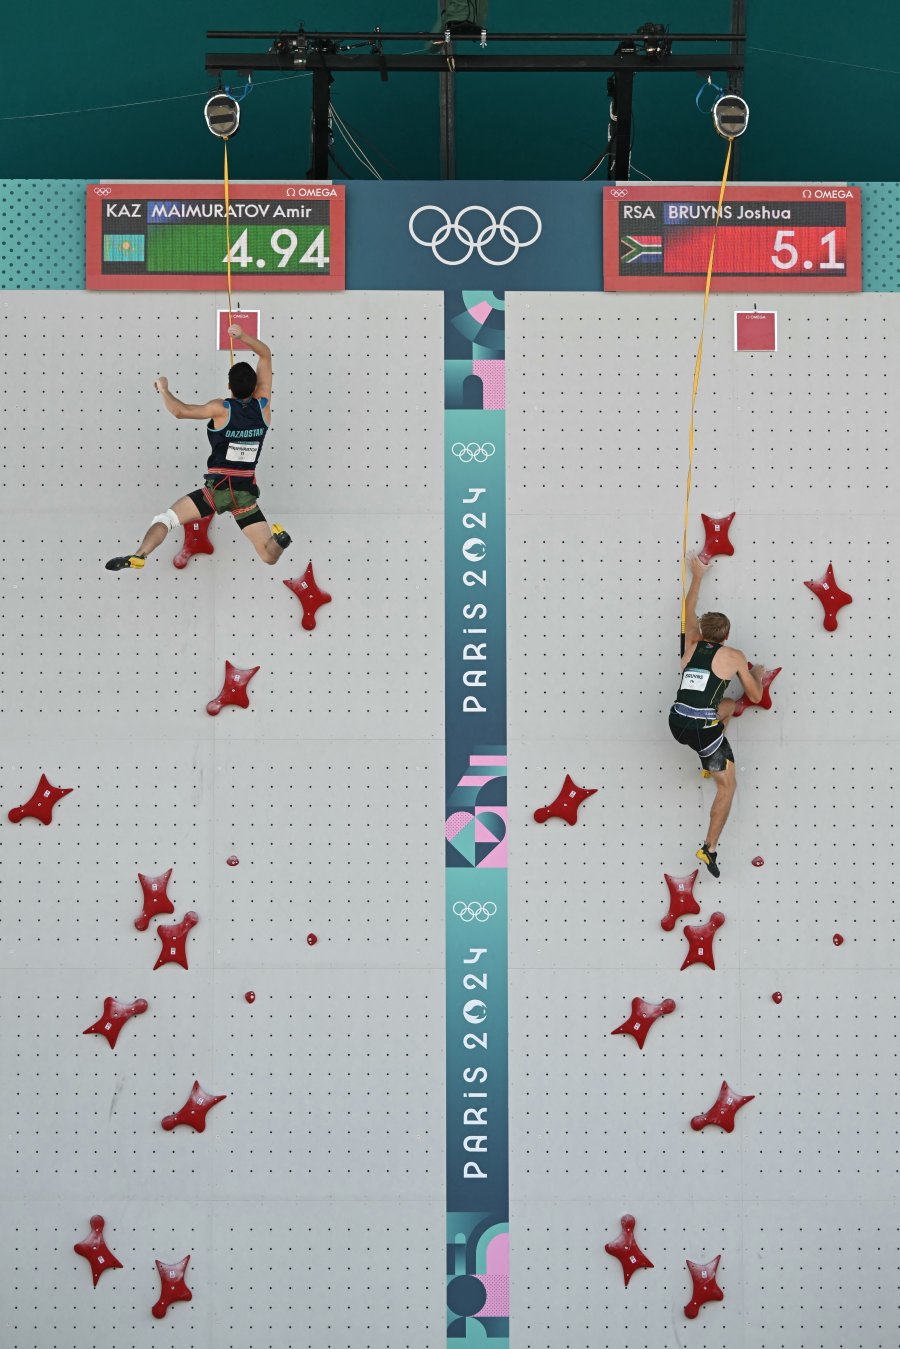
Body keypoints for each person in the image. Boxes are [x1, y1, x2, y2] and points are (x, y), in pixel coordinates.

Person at [105, 324, 291, 572]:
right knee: (268, 555)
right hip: (245, 494)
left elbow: (180, 411)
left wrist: (164, 388)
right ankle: (279, 542)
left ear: (229, 386)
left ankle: (140, 554)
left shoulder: (221, 409)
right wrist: (243, 336)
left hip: (216, 491)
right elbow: (265, 354)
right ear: (256, 384)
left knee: (167, 519)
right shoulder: (263, 406)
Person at [668, 554, 764, 878]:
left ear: (701, 630)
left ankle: (707, 761)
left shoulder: (691, 642)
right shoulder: (734, 656)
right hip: (702, 731)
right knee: (728, 787)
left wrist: (697, 576)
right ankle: (708, 848)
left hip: (677, 723)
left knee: (726, 706)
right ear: (726, 636)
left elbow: (689, 608)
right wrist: (759, 673)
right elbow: (755, 696)